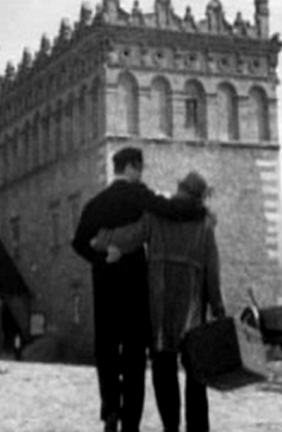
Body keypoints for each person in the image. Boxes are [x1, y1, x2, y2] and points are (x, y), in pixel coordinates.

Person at [72, 148, 207, 432]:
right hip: (135, 285)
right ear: (132, 168)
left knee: (106, 349)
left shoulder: (95, 205)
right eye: (140, 169)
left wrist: (102, 255)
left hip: (105, 283)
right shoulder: (140, 196)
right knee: (134, 356)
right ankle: (130, 422)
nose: (141, 175)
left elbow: (78, 243)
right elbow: (172, 209)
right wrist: (201, 209)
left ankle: (110, 407)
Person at [91, 171, 225, 432]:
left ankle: (171, 426)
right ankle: (196, 428)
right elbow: (212, 272)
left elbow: (128, 237)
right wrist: (218, 307)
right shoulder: (205, 226)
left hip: (160, 306)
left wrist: (101, 239)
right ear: (200, 197)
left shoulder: (156, 216)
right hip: (192, 310)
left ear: (179, 189)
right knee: (196, 375)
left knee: (164, 371)